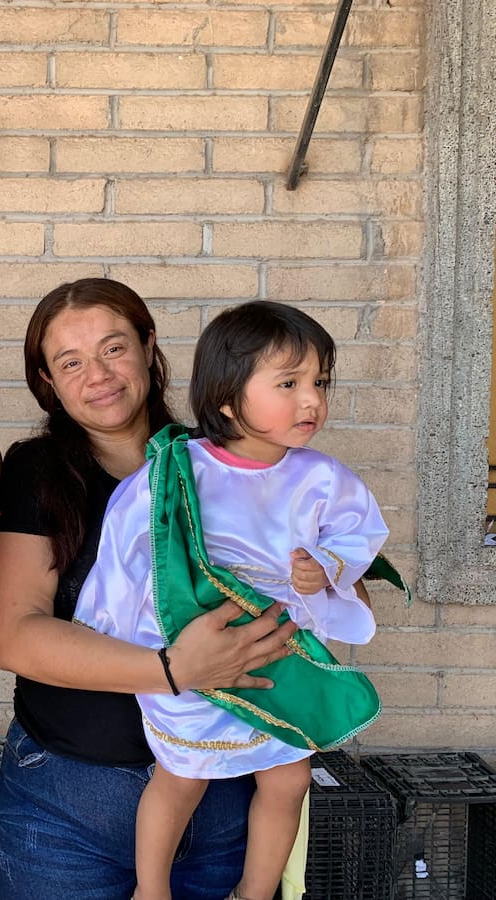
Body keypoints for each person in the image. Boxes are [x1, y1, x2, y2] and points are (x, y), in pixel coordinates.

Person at [0, 278, 315, 900]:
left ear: (148, 348)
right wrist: (173, 668)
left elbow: (284, 585)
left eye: (113, 349)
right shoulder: (37, 472)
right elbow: (16, 638)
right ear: (48, 382)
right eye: (70, 362)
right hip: (68, 811)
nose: (97, 376)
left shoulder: (220, 466)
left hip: (220, 797)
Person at [74, 300, 388, 900]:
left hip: (278, 654)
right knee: (182, 774)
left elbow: (359, 535)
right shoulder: (176, 475)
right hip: (197, 656)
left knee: (290, 776)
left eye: (319, 381)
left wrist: (325, 568)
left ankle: (255, 890)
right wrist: (111, 632)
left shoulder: (323, 478)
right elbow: (127, 550)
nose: (312, 400)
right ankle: (152, 888)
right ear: (225, 397)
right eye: (289, 383)